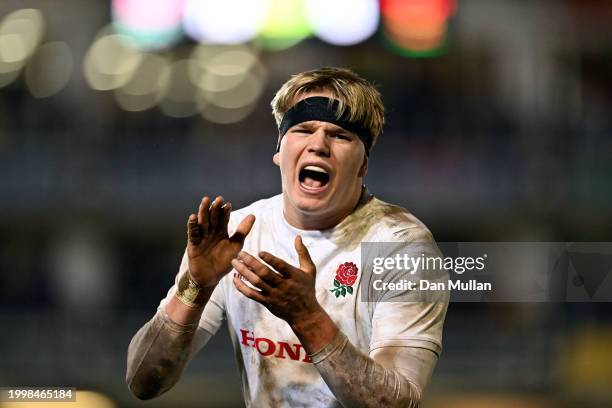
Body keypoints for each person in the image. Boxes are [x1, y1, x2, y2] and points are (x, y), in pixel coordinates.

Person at [126, 67, 448, 407]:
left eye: (340, 135)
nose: (319, 144)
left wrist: (307, 317)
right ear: (280, 151)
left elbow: (398, 404)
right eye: (304, 129)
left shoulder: (400, 245)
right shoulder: (237, 235)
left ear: (363, 164)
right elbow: (142, 381)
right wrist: (195, 287)